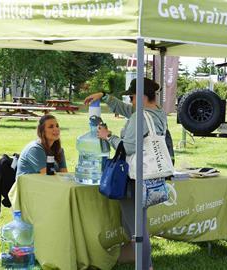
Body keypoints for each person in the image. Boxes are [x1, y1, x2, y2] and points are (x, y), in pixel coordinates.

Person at [84, 77, 167, 270]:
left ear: (142, 96)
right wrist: (104, 96)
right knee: (138, 225)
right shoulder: (158, 112)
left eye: (132, 97)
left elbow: (127, 148)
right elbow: (126, 110)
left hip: (135, 177)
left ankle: (145, 266)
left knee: (138, 230)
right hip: (151, 176)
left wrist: (108, 136)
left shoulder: (140, 118)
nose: (130, 101)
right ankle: (138, 260)